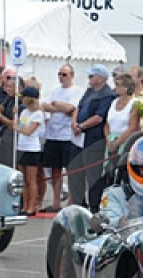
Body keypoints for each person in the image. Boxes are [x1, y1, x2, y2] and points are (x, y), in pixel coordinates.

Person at [69, 64, 115, 212]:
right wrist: (74, 123)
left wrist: (82, 126)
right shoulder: (89, 91)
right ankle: (78, 203)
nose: (89, 79)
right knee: (75, 171)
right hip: (79, 139)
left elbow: (99, 117)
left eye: (91, 76)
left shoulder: (107, 95)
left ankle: (94, 206)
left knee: (93, 175)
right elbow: (79, 107)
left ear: (100, 78)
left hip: (93, 139)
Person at [41, 63, 82, 213]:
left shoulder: (77, 91)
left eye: (64, 74)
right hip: (52, 134)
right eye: (59, 74)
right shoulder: (53, 90)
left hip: (68, 136)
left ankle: (71, 200)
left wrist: (57, 105)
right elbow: (44, 105)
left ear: (72, 75)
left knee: (70, 169)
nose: (61, 77)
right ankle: (56, 201)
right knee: (54, 169)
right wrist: (61, 107)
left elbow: (72, 108)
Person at [15, 86, 45, 216]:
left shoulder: (38, 114)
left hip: (32, 148)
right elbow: (20, 126)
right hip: (21, 146)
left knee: (31, 179)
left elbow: (28, 131)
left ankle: (32, 205)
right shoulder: (24, 112)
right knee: (23, 179)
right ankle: (25, 204)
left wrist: (17, 127)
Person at [104, 74, 140, 162]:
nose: (115, 87)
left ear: (126, 87)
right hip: (111, 141)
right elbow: (107, 125)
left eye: (117, 84)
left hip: (126, 142)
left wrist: (117, 143)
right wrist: (109, 140)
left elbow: (133, 127)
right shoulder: (114, 102)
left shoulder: (135, 103)